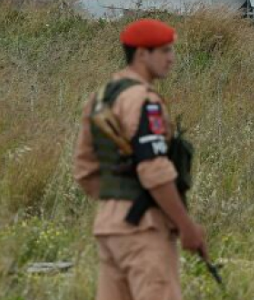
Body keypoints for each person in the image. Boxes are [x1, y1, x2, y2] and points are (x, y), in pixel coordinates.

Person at [73, 18, 206, 300]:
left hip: (109, 227)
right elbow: (153, 168)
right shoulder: (144, 100)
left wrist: (117, 201)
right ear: (142, 54)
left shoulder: (101, 97)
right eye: (165, 51)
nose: (172, 58)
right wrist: (186, 226)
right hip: (145, 229)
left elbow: (85, 168)